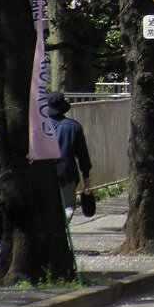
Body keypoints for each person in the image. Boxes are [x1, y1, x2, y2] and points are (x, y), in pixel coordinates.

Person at [48, 91, 92, 224]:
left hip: (43, 173)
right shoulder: (73, 127)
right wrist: (86, 174)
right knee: (68, 206)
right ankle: (62, 229)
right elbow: (82, 154)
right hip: (67, 173)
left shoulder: (39, 127)